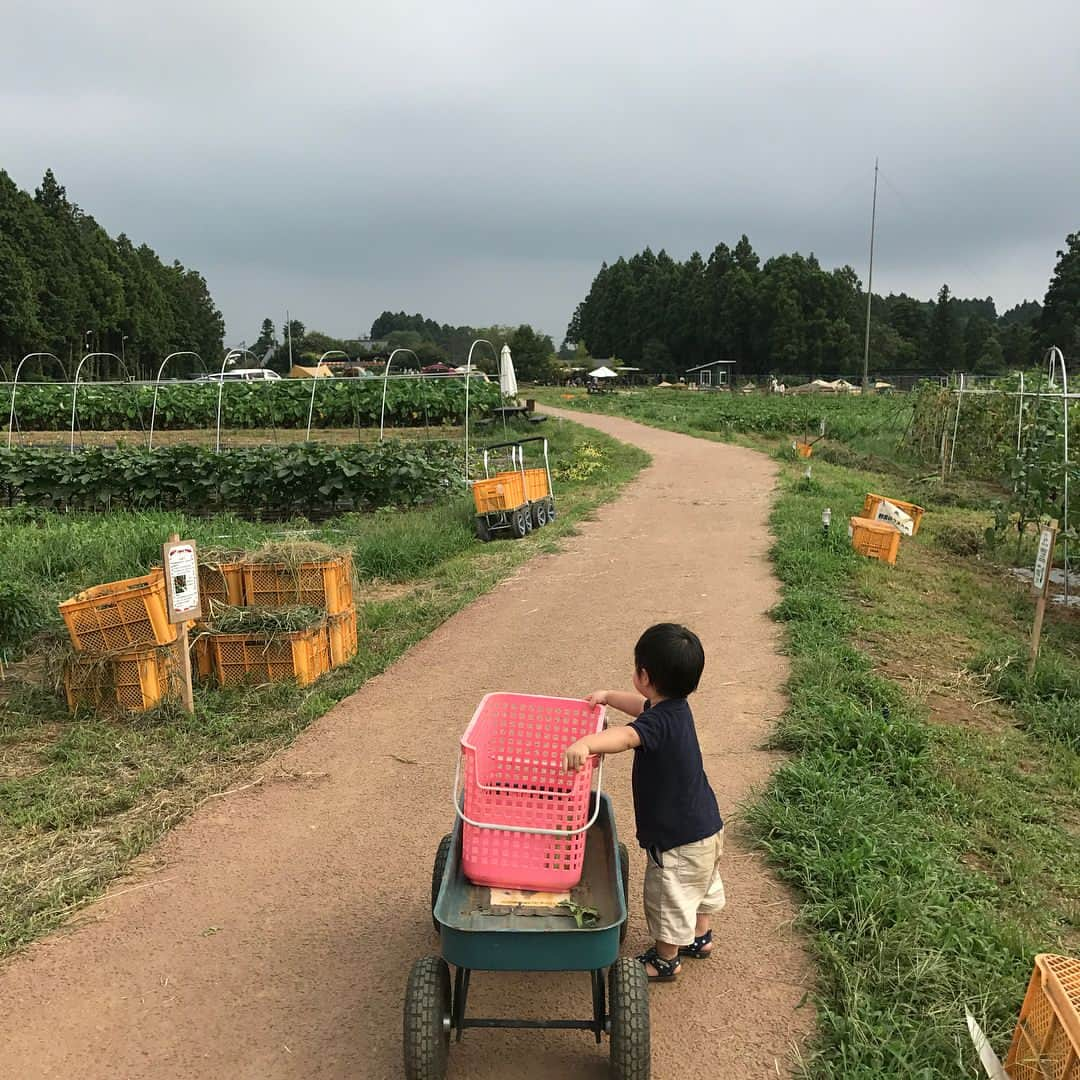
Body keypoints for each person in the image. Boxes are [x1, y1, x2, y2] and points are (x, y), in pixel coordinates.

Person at [562, 623, 725, 982]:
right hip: (706, 826)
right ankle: (700, 937)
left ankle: (666, 959)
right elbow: (641, 707)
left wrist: (587, 743)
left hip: (677, 841)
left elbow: (625, 736)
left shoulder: (654, 726)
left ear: (644, 675)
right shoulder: (675, 709)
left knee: (669, 895)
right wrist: (607, 695)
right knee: (701, 885)